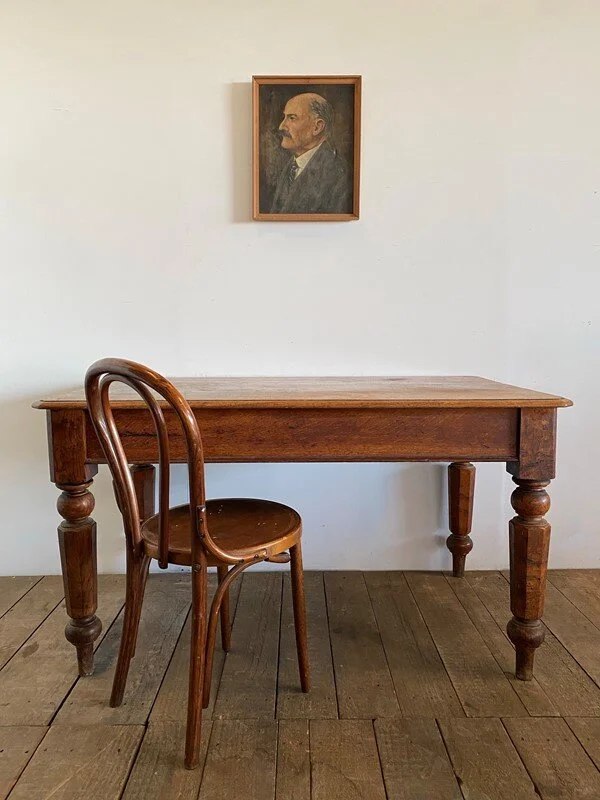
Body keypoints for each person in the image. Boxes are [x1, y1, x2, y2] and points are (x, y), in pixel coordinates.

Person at [270, 92, 352, 214]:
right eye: (284, 117)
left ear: (317, 127)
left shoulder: (340, 175)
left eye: (292, 118)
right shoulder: (290, 167)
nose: (281, 126)